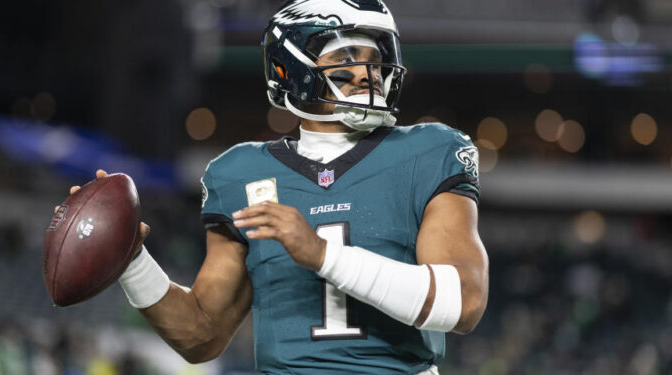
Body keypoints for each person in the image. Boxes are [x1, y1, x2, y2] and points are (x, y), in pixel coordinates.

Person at [67, 1, 488, 373]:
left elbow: (464, 302)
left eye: (374, 58)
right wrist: (131, 259)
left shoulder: (428, 150)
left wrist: (323, 256)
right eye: (347, 56)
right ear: (292, 68)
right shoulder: (240, 173)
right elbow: (201, 335)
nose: (367, 73)